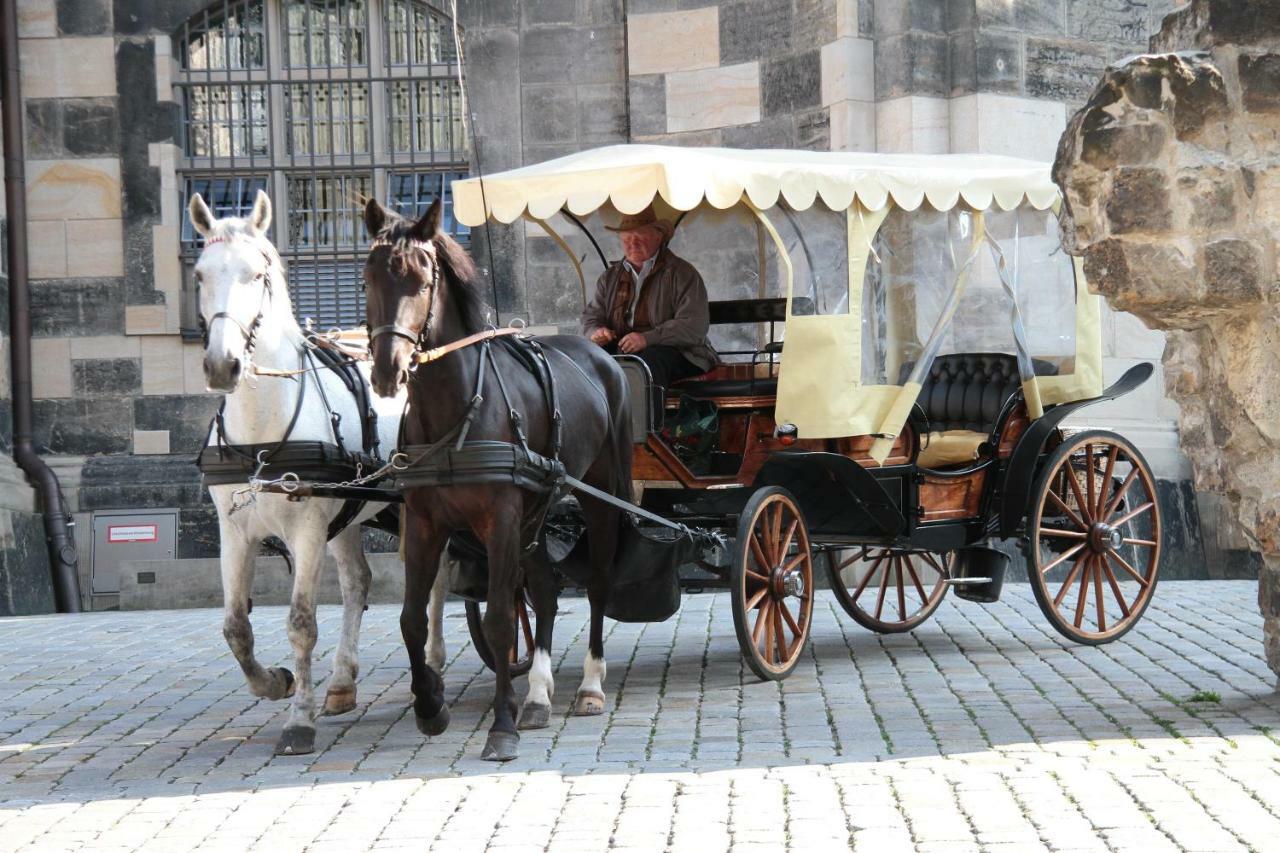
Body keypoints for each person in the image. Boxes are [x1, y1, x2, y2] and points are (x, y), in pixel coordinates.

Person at [581, 206, 716, 389]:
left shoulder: (682, 274)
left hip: (681, 353)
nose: (632, 244)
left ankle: (647, 418)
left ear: (658, 237)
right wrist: (596, 332)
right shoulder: (610, 278)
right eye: (626, 239)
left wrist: (647, 338)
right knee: (586, 361)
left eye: (639, 237)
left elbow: (693, 326)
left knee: (644, 365)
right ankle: (599, 417)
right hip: (623, 350)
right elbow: (591, 318)